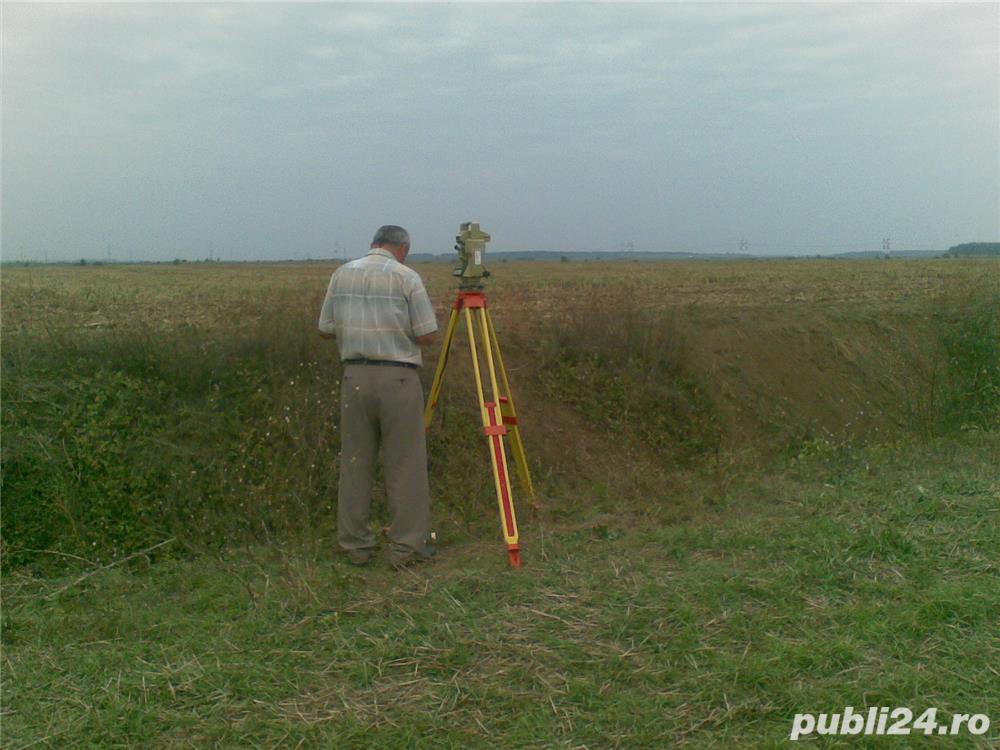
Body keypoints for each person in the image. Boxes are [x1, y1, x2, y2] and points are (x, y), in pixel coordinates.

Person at [318, 225, 438, 567]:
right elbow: (427, 335)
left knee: (355, 462)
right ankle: (407, 547)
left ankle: (355, 545)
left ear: (374, 244)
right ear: (403, 248)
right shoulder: (407, 277)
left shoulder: (341, 274)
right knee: (405, 464)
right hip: (398, 377)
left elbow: (325, 329)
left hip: (354, 377)